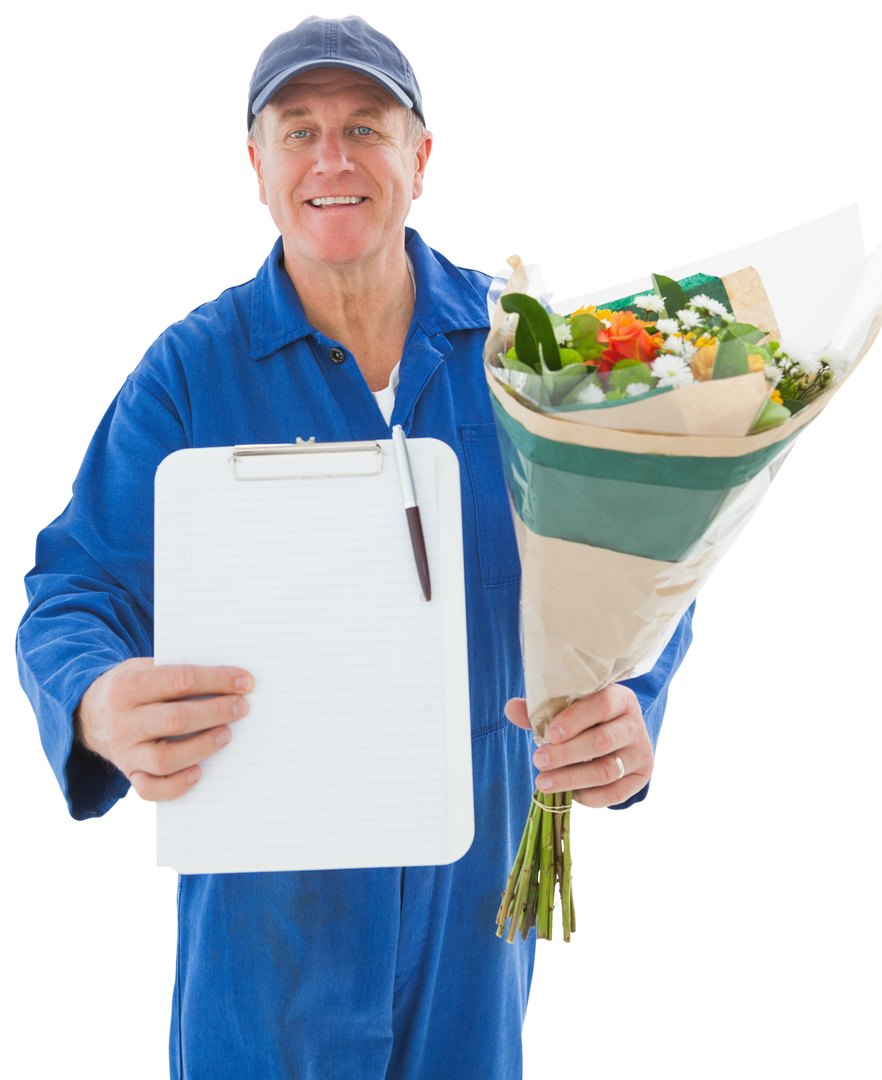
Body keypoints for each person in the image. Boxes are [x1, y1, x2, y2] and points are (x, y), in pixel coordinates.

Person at [15, 13, 698, 1079]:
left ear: (420, 158)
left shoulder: (532, 350)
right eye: (298, 131)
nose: (332, 158)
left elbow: (651, 555)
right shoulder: (188, 373)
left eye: (365, 127)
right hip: (265, 926)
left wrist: (634, 702)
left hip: (478, 914)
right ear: (256, 166)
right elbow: (74, 586)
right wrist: (97, 701)